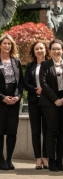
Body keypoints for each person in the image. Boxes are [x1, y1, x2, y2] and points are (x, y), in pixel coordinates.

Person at [39, 39, 63, 172]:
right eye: (54, 49)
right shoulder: (45, 64)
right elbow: (43, 83)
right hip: (49, 102)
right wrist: (55, 99)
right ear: (49, 51)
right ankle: (51, 160)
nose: (56, 51)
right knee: (52, 130)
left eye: (59, 49)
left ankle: (59, 160)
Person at [24, 40, 49, 170]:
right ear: (34, 52)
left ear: (45, 50)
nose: (39, 51)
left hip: (47, 102)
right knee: (35, 131)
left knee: (46, 130)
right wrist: (35, 89)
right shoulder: (30, 66)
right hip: (34, 101)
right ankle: (38, 158)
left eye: (41, 48)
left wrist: (44, 90)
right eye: (37, 49)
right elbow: (25, 82)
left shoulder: (50, 64)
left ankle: (45, 157)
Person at [0, 34, 24, 171]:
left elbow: (21, 82)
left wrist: (18, 96)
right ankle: (1, 159)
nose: (7, 46)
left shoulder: (16, 62)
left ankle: (9, 158)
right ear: (0, 45)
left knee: (12, 132)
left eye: (9, 44)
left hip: (14, 102)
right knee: (0, 131)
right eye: (5, 43)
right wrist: (2, 97)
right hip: (0, 101)